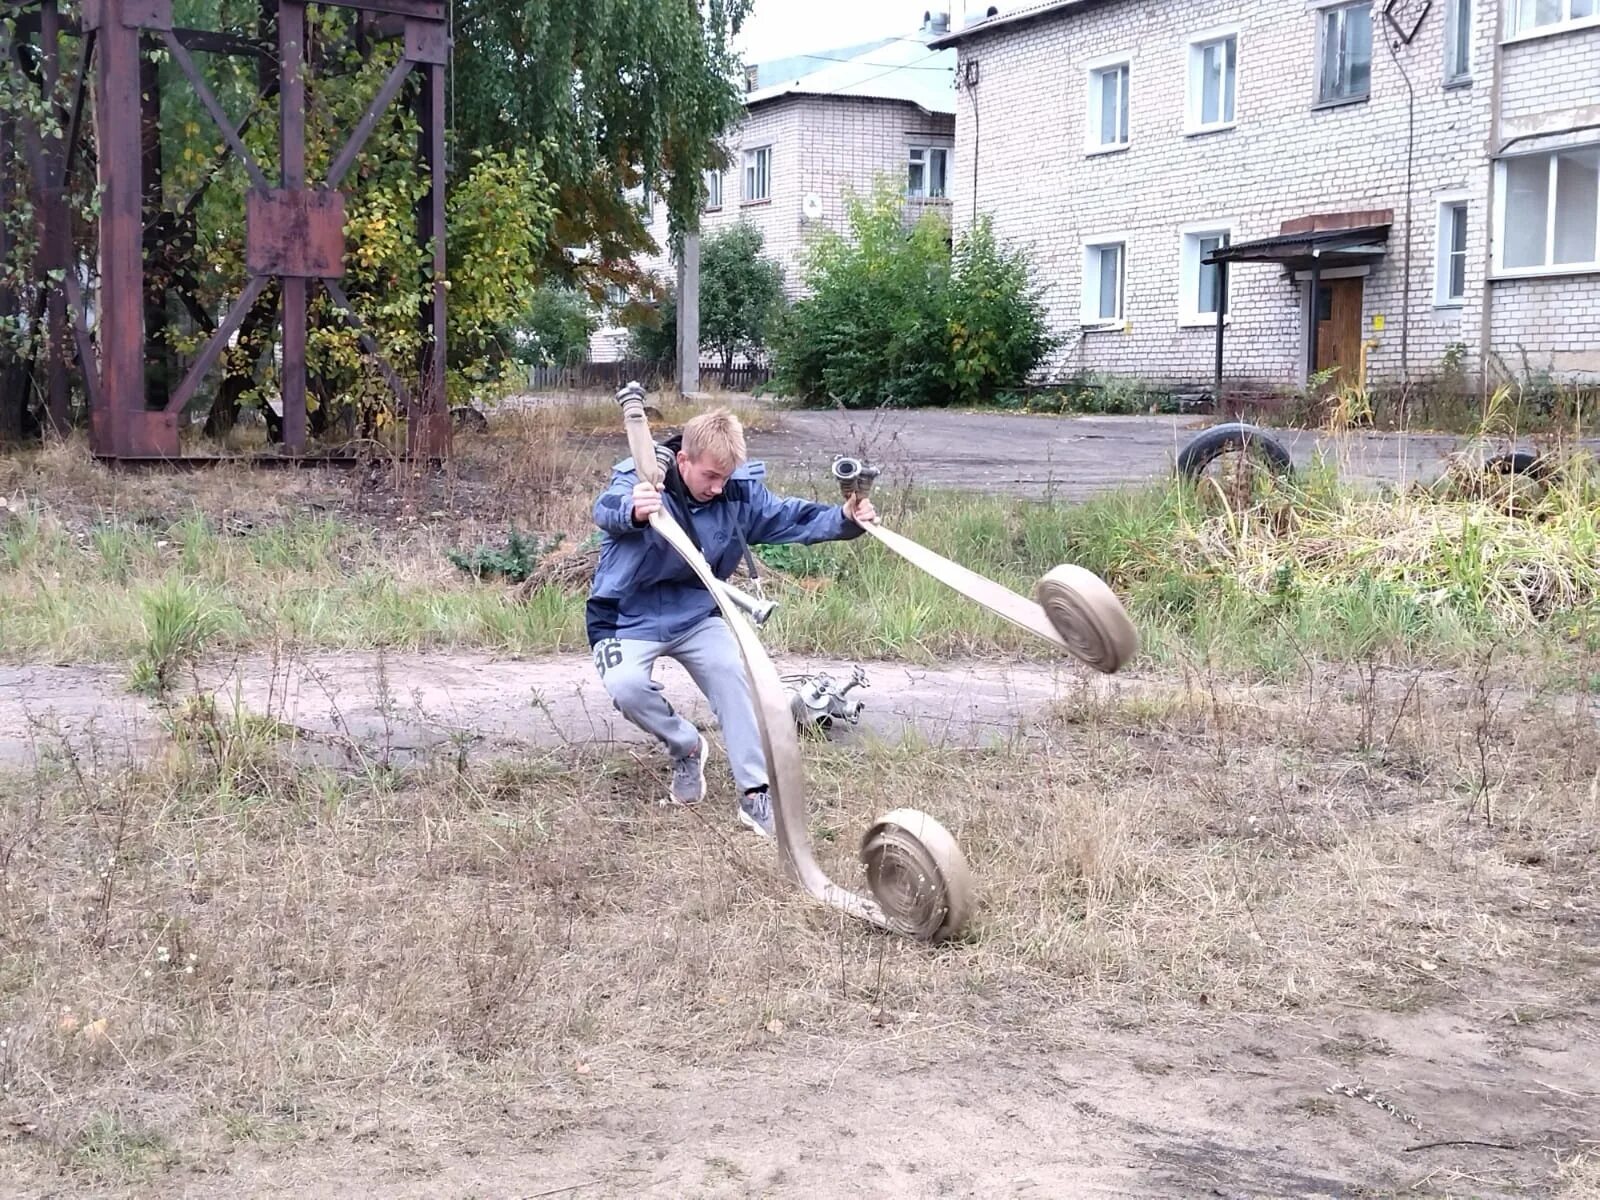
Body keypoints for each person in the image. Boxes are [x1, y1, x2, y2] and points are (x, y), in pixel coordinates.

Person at [586, 407, 876, 837]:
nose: (718, 487)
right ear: (684, 461)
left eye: (726, 477)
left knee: (734, 677)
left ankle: (755, 795)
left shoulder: (736, 492)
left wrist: (845, 519)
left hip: (698, 610)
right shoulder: (642, 478)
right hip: (626, 613)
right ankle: (686, 747)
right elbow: (605, 508)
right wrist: (633, 509)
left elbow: (791, 517)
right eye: (709, 476)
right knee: (627, 689)